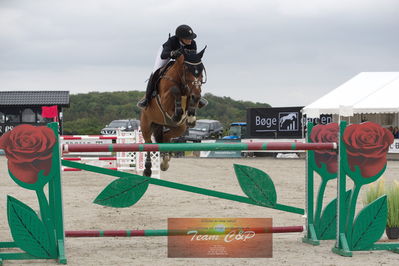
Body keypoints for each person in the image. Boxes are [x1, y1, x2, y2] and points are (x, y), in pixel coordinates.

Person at [137, 24, 207, 108]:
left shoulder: (192, 43)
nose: (190, 40)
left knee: (191, 73)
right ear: (180, 38)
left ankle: (197, 95)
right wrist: (172, 53)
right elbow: (163, 55)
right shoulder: (172, 41)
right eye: (188, 38)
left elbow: (192, 58)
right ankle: (147, 99)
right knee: (155, 71)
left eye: (191, 38)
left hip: (182, 60)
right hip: (166, 57)